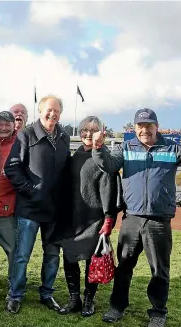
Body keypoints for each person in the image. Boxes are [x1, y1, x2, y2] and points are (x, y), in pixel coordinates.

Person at [92, 108, 181, 327]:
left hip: (159, 221)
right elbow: (108, 164)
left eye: (149, 126)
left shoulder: (172, 148)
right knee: (124, 267)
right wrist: (98, 148)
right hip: (132, 219)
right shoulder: (127, 148)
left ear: (156, 126)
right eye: (140, 126)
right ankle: (117, 307)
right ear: (135, 128)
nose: (144, 130)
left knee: (159, 270)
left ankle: (158, 312)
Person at [5, 95, 71, 314]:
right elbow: (12, 168)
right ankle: (15, 295)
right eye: (49, 110)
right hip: (29, 210)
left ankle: (47, 293)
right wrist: (31, 191)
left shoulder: (64, 137)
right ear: (40, 111)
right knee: (22, 256)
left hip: (54, 211)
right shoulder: (26, 135)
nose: (52, 114)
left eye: (56, 111)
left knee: (52, 256)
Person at [52, 116, 122, 317]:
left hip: (94, 219)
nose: (88, 134)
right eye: (84, 130)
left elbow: (110, 189)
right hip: (72, 217)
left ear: (101, 133)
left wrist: (109, 219)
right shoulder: (75, 156)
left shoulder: (104, 157)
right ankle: (74, 299)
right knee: (69, 258)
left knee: (93, 261)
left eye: (93, 130)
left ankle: (89, 301)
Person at [0, 105, 29, 285]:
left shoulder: (20, 144)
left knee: (13, 249)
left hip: (6, 208)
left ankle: (15, 284)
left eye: (7, 124)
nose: (3, 128)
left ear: (13, 125)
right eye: (0, 124)